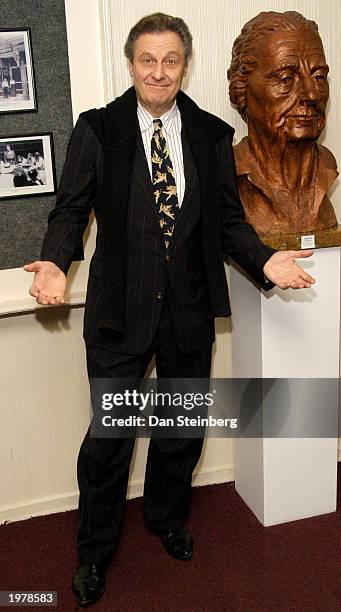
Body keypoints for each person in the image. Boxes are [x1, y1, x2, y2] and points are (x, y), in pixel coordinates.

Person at [24, 13, 315, 608]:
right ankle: (94, 551)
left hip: (188, 310)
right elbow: (71, 209)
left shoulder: (210, 136)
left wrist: (264, 262)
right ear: (131, 65)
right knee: (111, 438)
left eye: (171, 60)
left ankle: (167, 517)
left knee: (180, 429)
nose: (159, 72)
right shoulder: (98, 129)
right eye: (147, 60)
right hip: (118, 314)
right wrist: (55, 260)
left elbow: (230, 223)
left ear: (185, 65)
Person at [228, 10, 338, 235]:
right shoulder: (228, 172)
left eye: (318, 77)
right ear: (242, 89)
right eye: (286, 78)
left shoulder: (327, 167)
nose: (311, 95)